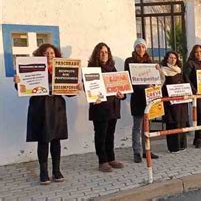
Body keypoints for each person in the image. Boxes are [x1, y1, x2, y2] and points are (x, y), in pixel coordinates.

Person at [13, 44, 81, 185]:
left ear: (56, 55)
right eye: (46, 53)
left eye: (52, 53)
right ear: (40, 55)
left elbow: (69, 93)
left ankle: (56, 171)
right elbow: (24, 86)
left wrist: (76, 87)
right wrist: (18, 82)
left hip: (57, 107)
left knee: (56, 140)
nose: (49, 55)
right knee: (43, 140)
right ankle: (43, 172)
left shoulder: (62, 69)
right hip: (40, 107)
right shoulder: (34, 68)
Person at [88, 43, 126, 172]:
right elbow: (90, 87)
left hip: (113, 107)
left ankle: (111, 158)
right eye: (101, 52)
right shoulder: (92, 68)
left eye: (106, 52)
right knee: (101, 135)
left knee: (110, 134)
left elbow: (119, 86)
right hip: (100, 108)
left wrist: (122, 95)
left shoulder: (112, 67)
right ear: (97, 54)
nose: (104, 54)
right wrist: (93, 97)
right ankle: (102, 161)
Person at [124, 38, 159, 163]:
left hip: (148, 98)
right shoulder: (129, 61)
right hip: (137, 98)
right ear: (135, 48)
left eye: (143, 47)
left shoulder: (150, 62)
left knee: (147, 126)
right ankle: (137, 152)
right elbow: (128, 79)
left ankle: (146, 150)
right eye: (138, 46)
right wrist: (143, 85)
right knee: (137, 126)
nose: (141, 49)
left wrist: (157, 74)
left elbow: (155, 79)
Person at [161, 51, 191, 152]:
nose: (172, 60)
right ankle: (173, 147)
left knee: (181, 122)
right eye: (170, 58)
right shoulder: (163, 71)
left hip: (181, 102)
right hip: (170, 103)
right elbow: (161, 86)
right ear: (166, 59)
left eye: (174, 58)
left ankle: (182, 145)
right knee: (172, 123)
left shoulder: (179, 71)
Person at [183, 45, 201, 148]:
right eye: (196, 52)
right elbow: (186, 78)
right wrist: (194, 91)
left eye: (200, 52)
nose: (199, 54)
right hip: (196, 95)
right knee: (199, 115)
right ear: (193, 54)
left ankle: (198, 138)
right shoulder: (190, 64)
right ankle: (198, 139)